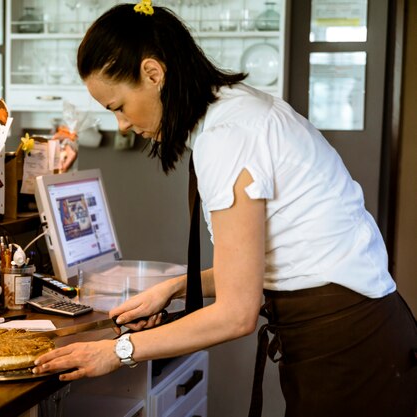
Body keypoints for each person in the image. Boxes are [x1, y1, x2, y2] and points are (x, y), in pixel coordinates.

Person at [31, 2, 417, 416]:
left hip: (350, 349)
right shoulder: (234, 110)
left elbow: (237, 314)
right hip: (353, 334)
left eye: (118, 106)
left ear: (153, 74)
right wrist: (172, 288)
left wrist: (118, 351)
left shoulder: (228, 137)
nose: (123, 125)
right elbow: (257, 264)